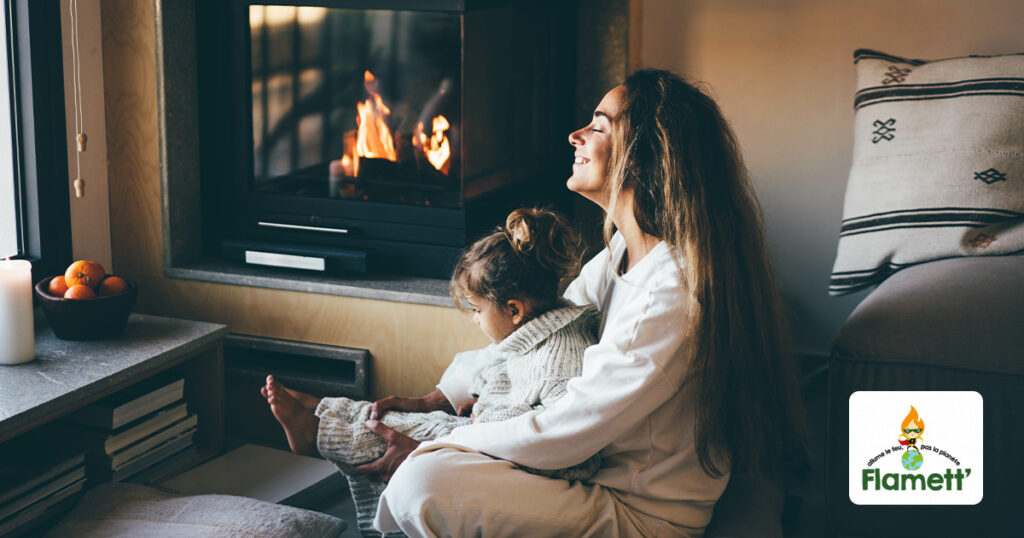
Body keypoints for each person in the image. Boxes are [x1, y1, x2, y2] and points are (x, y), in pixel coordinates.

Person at [356, 68, 807, 537]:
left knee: (421, 483)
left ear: (641, 157)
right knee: (432, 462)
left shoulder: (668, 291)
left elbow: (571, 428)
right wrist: (443, 398)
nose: (575, 135)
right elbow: (538, 331)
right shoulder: (622, 254)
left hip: (641, 510)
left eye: (598, 125)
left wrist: (444, 441)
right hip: (590, 475)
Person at [262, 208, 601, 535]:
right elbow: (503, 378)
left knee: (399, 431)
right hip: (484, 432)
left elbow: (569, 447)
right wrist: (468, 401)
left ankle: (319, 435)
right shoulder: (537, 331)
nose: (475, 319)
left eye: (477, 310)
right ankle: (331, 410)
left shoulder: (562, 359)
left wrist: (486, 413)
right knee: (401, 416)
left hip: (504, 453)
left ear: (514, 309)